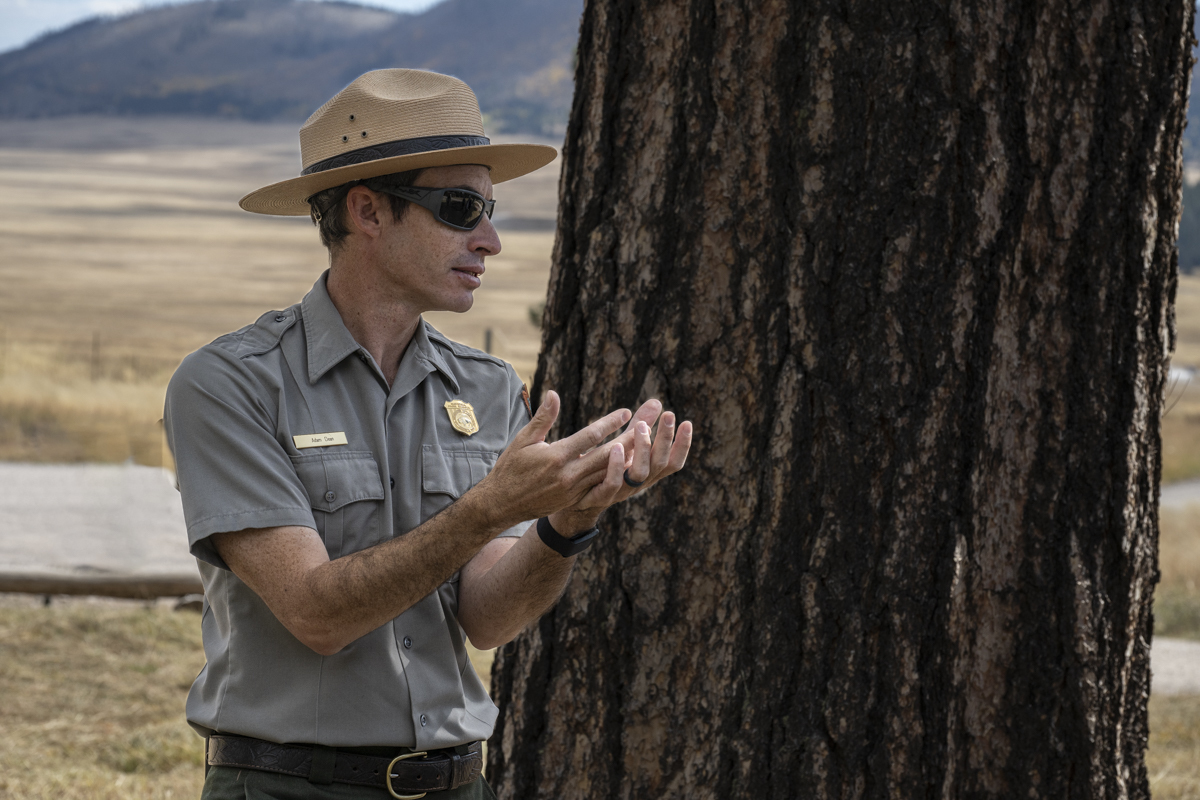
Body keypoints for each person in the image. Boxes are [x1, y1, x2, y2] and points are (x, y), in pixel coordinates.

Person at [163, 68, 693, 800]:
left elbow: (486, 616)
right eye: (460, 207)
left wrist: (571, 520)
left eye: (488, 208)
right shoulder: (231, 384)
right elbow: (317, 614)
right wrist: (490, 508)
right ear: (368, 212)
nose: (492, 239)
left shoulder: (486, 385)